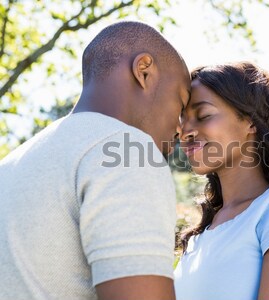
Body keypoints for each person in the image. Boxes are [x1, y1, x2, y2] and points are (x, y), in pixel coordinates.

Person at [0, 21, 190, 300]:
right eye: (181, 103)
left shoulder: (13, 163)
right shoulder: (128, 151)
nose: (181, 128)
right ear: (144, 71)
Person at [174, 62, 269, 300]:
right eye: (182, 120)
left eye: (203, 115)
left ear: (252, 121)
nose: (184, 131)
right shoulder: (202, 232)